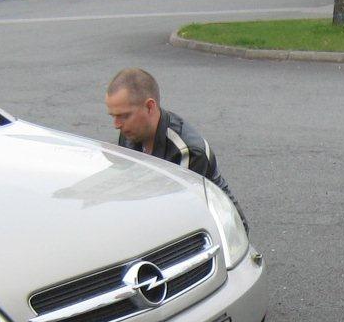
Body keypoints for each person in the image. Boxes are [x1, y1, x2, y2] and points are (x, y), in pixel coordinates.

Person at [105, 68, 247, 228]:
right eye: (113, 116)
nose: (116, 125)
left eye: (124, 115)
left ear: (150, 107)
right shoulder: (131, 132)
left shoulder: (186, 150)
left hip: (223, 231)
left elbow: (176, 216)